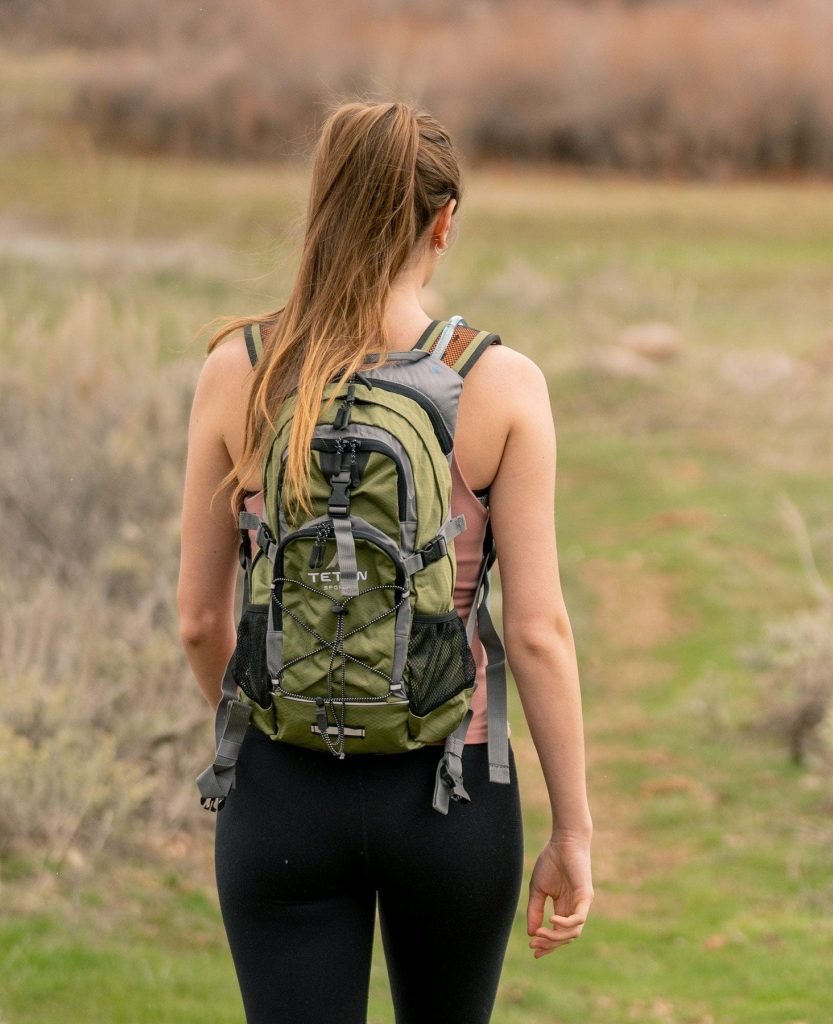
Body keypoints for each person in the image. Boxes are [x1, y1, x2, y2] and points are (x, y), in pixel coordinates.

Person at [176, 99, 593, 1024]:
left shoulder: (239, 370)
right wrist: (573, 829)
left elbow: (200, 622)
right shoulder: (501, 383)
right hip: (451, 791)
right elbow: (537, 632)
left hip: (282, 794)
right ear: (444, 223)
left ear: (320, 205)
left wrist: (278, 725)